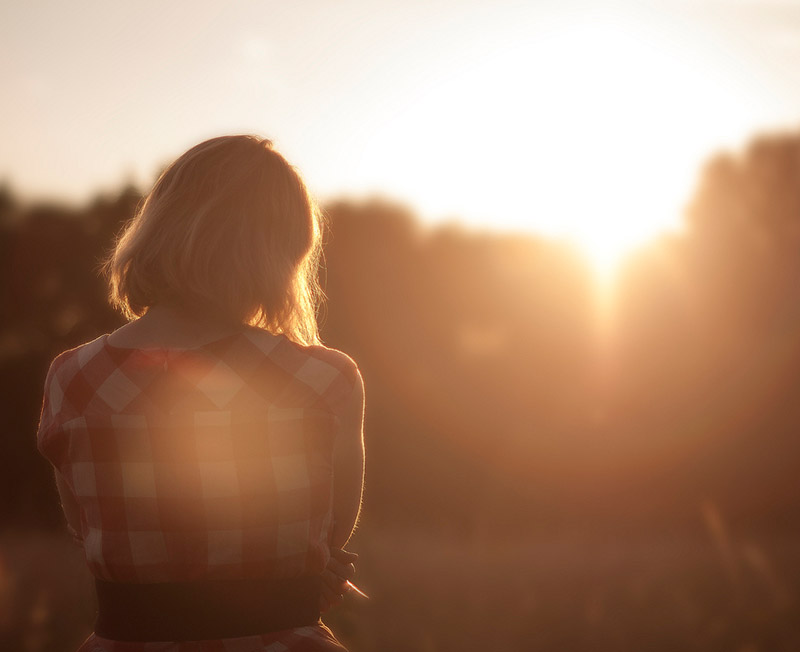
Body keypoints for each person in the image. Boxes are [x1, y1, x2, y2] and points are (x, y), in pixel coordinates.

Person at [36, 135, 366, 652]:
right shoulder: (323, 380)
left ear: (159, 226)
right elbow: (330, 535)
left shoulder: (72, 377)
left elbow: (89, 532)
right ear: (280, 252)